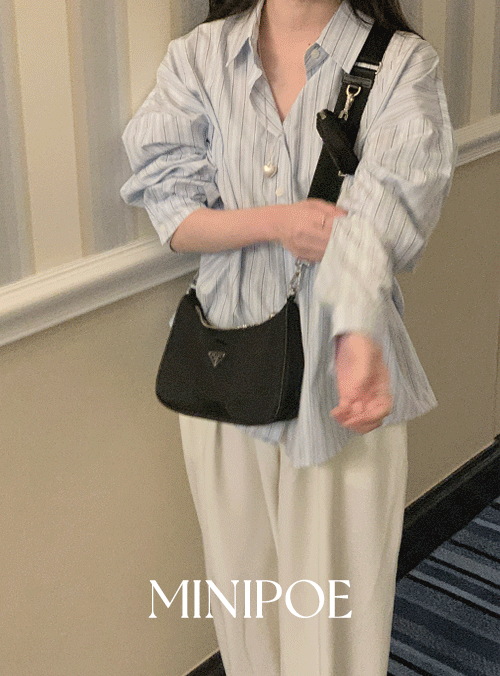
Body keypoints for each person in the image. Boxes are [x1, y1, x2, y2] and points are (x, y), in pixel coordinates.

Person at [121, 0, 456, 673]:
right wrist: (281, 222)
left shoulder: (401, 66)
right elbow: (173, 212)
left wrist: (355, 335)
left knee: (335, 629)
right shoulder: (200, 57)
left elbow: (380, 216)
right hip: (223, 369)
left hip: (341, 381)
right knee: (244, 610)